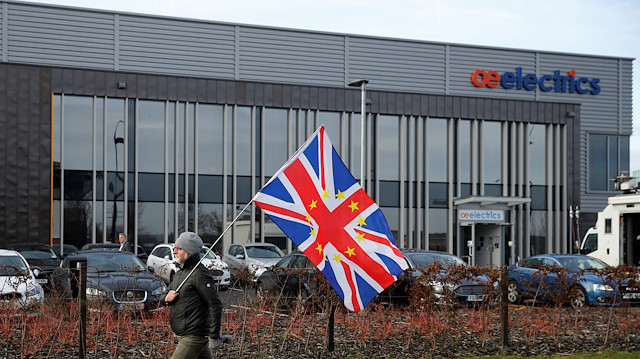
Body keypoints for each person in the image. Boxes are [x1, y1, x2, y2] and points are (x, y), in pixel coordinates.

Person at [164, 232, 223, 358]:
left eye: (178, 248)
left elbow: (215, 304)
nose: (174, 252)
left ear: (188, 252)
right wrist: (166, 297)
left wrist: (214, 336)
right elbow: (166, 292)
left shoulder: (199, 274)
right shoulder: (181, 273)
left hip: (193, 336)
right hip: (184, 334)